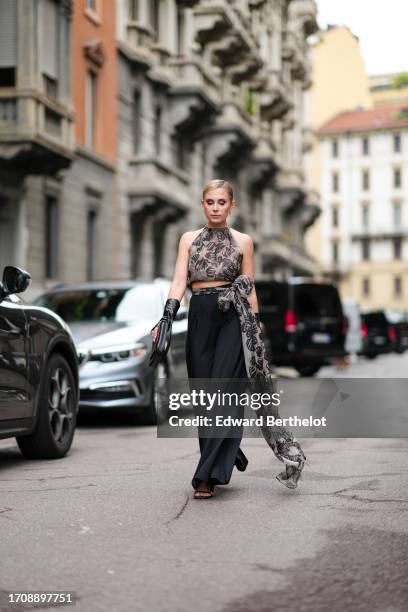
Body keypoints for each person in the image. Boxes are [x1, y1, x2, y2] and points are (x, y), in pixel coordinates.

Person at [150, 179, 306, 499]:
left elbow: (248, 286)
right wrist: (166, 317)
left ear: (231, 205)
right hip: (200, 315)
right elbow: (180, 280)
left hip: (235, 317)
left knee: (224, 390)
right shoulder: (188, 239)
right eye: (210, 202)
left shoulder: (244, 241)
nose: (216, 207)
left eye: (222, 202)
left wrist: (256, 329)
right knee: (205, 395)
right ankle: (225, 448)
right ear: (203, 204)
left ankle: (206, 476)